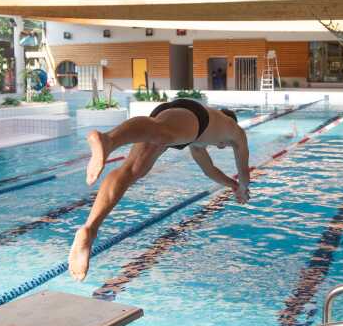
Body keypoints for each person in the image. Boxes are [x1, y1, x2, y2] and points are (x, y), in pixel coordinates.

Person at [68, 98, 250, 281]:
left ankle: (90, 229)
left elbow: (209, 170)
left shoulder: (199, 144)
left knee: (132, 171)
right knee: (162, 133)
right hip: (192, 116)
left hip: (182, 117)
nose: (222, 147)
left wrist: (231, 184)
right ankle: (109, 140)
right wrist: (243, 186)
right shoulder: (234, 130)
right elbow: (243, 166)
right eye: (223, 146)